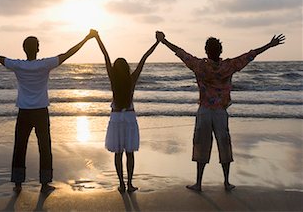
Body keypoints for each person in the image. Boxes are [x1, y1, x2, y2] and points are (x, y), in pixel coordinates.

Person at [155, 31, 285, 192]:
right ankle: (226, 182)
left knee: (201, 144)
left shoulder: (200, 65)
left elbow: (181, 53)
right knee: (224, 144)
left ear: (206, 51)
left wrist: (164, 41)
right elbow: (250, 55)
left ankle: (199, 183)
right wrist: (270, 45)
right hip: (220, 112)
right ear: (220, 51)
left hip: (204, 111)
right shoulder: (228, 66)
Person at [0, 30, 97, 193]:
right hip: (40, 111)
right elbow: (67, 54)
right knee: (44, 147)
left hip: (24, 112)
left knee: (20, 146)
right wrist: (86, 39)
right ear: (37, 49)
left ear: (24, 49)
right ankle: (45, 184)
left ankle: (18, 184)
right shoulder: (44, 64)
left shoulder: (19, 65)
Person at [94, 31, 160, 193]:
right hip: (129, 117)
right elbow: (144, 58)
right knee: (129, 152)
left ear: (115, 69)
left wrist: (97, 38)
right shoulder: (132, 79)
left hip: (116, 117)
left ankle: (122, 184)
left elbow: (105, 55)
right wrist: (157, 42)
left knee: (118, 153)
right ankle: (129, 183)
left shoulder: (113, 79)